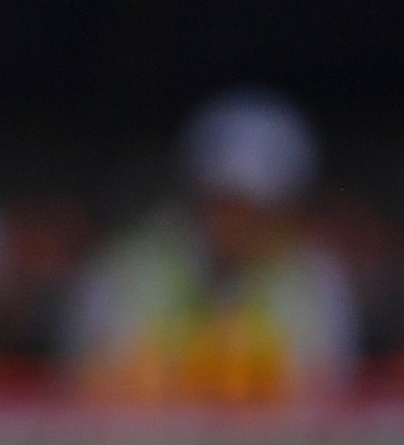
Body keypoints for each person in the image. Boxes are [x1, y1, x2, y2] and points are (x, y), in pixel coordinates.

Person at [69, 92, 361, 405]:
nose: (237, 222)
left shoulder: (313, 279)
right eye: (223, 203)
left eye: (256, 209)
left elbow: (327, 385)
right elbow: (88, 375)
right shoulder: (128, 267)